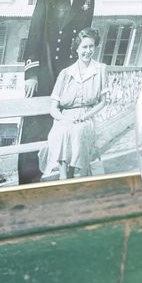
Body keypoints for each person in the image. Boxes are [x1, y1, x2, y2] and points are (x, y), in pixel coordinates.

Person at [17, 0, 95, 185]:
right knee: (34, 129)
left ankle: (65, 178)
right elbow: (34, 37)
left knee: (70, 129)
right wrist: (31, 74)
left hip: (70, 78)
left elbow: (84, 41)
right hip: (45, 73)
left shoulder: (87, 1)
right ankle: (27, 180)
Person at [39, 29, 107, 180]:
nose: (88, 51)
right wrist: (65, 119)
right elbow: (54, 108)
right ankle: (64, 176)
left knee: (78, 131)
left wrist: (86, 116)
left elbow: (103, 102)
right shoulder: (66, 73)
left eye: (91, 46)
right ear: (77, 49)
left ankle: (78, 174)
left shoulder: (100, 69)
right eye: (84, 47)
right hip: (66, 117)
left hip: (87, 117)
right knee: (62, 131)